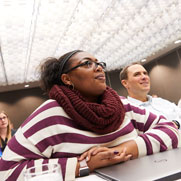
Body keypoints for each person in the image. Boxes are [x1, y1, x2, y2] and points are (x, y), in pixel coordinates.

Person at [0, 50, 180, 181]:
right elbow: (6, 170)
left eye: (99, 64)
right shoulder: (50, 114)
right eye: (87, 64)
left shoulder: (121, 104)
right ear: (67, 79)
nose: (99, 68)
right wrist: (85, 164)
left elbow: (170, 129)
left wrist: (124, 149)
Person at [120, 62, 181, 129]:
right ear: (125, 83)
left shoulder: (161, 101)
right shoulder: (127, 113)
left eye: (145, 73)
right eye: (137, 74)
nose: (144, 77)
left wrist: (176, 123)